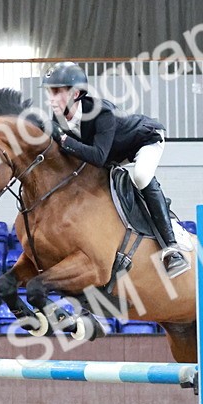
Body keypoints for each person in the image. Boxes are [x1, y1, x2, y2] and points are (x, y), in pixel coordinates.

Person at [42, 61, 189, 278]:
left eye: (56, 91)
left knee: (140, 176)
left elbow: (98, 157)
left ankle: (172, 247)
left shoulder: (101, 112)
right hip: (114, 153)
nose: (51, 98)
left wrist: (63, 140)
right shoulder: (60, 119)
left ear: (75, 94)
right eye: (49, 92)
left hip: (144, 141)